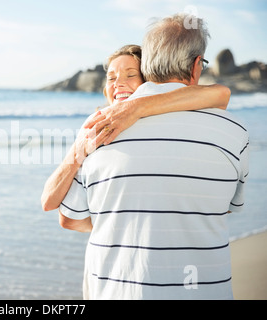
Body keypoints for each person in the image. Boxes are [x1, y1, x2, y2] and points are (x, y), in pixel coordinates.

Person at [50, 13, 249, 299]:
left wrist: (128, 223)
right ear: (196, 66)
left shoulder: (99, 131)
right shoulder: (236, 133)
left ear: (147, 66)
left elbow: (68, 218)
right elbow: (225, 205)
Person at [41, 44, 230, 212]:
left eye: (131, 75)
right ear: (105, 89)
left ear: (149, 82)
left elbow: (219, 94)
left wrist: (136, 107)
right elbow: (48, 202)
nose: (118, 84)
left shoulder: (163, 118)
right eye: (111, 78)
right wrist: (77, 151)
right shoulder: (96, 129)